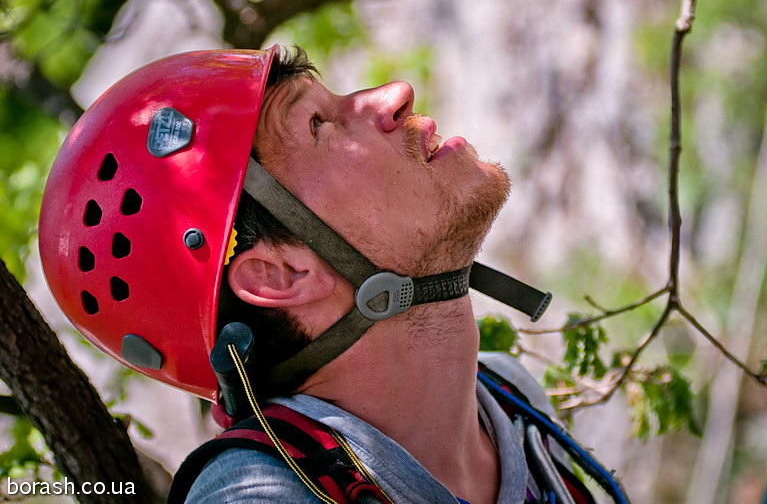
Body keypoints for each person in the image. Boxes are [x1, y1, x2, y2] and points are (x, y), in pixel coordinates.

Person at [39, 45, 627, 503]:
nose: (394, 94)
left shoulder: (515, 406)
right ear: (279, 275)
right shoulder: (257, 496)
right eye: (319, 125)